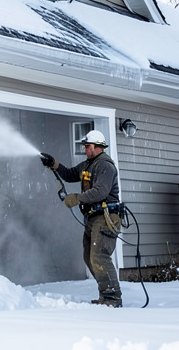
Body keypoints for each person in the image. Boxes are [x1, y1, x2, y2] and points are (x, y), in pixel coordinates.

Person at [40, 130, 123, 307]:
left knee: (99, 256)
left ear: (98, 147)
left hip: (106, 216)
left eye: (87, 146)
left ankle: (113, 298)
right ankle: (105, 295)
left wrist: (77, 198)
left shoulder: (105, 166)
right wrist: (54, 164)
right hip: (92, 218)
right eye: (84, 146)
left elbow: (100, 191)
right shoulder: (87, 165)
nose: (85, 149)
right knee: (89, 257)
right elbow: (70, 174)